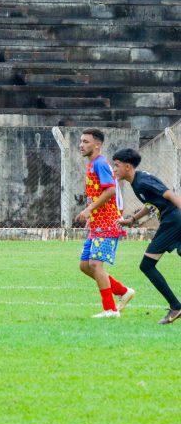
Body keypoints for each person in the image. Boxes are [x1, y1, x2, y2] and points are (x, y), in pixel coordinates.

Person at [112, 148, 181, 325]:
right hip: (173, 221)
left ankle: (176, 307)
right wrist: (133, 219)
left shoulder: (142, 181)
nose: (114, 169)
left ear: (127, 166)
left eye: (117, 165)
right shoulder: (136, 181)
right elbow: (151, 204)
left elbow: (168, 194)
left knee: (147, 265)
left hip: (173, 221)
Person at [75, 129, 133, 318]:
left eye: (86, 142)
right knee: (85, 265)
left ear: (97, 144)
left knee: (95, 265)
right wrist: (91, 217)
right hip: (98, 222)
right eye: (81, 141)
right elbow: (96, 192)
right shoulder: (92, 163)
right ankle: (123, 292)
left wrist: (88, 210)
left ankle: (110, 309)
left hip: (108, 223)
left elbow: (109, 191)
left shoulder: (100, 163)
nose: (81, 145)